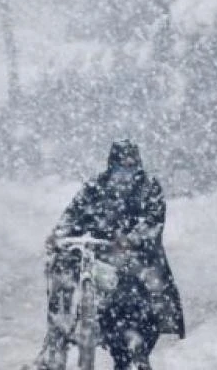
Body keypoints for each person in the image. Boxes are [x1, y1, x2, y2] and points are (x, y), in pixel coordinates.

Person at [32, 139, 185, 370]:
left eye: (131, 164)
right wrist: (59, 235)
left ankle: (137, 355)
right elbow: (74, 213)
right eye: (121, 164)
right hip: (99, 256)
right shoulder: (96, 186)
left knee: (141, 306)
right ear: (111, 164)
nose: (125, 170)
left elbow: (153, 222)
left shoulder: (148, 187)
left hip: (138, 260)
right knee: (62, 273)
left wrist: (131, 240)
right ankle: (56, 339)